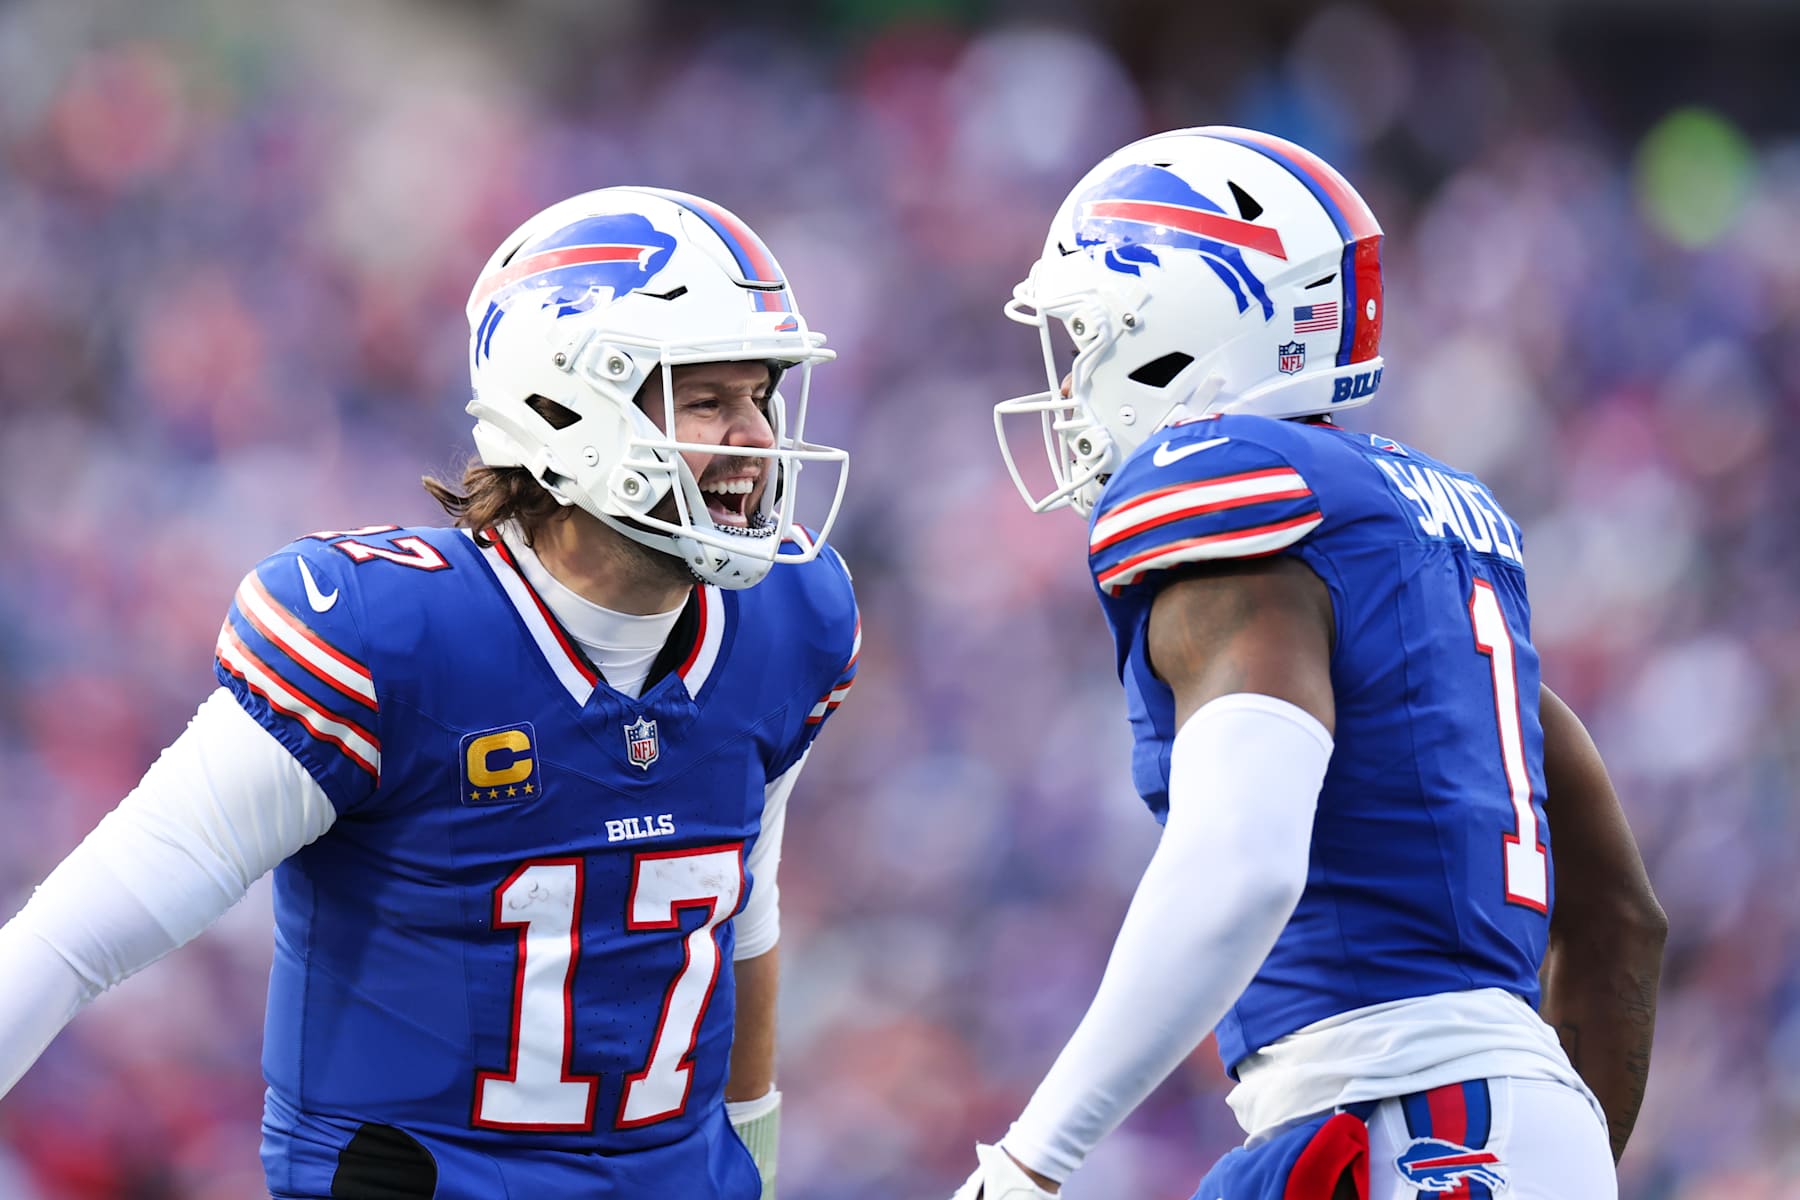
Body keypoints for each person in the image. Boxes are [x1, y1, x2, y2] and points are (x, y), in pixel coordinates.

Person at [0, 186, 859, 1200]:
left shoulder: (789, 617)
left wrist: (754, 1155)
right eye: (707, 399)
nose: (755, 436)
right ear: (564, 407)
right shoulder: (388, 638)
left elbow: (744, 899)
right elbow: (79, 935)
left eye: (760, 395)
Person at [955, 127, 1667, 1199]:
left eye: (1091, 332)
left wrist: (1029, 1162)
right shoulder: (1422, 530)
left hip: (1413, 1125)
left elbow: (1244, 863)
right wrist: (1554, 1161)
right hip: (1481, 1123)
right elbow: (1621, 918)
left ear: (1182, 324)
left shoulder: (1237, 506)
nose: (1074, 378)